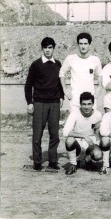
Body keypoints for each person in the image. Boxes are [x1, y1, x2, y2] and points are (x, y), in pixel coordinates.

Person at [24, 37, 64, 171]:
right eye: (45, 47)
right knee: (37, 135)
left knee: (55, 134)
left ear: (53, 48)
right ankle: (37, 162)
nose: (48, 50)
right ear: (42, 48)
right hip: (39, 102)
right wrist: (30, 102)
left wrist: (62, 97)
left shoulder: (58, 64)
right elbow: (28, 85)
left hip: (54, 103)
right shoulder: (36, 65)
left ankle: (53, 161)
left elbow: (60, 83)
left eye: (50, 47)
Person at [59, 32, 102, 112]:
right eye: (81, 43)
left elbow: (100, 75)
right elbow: (61, 73)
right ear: (78, 44)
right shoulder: (70, 59)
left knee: (91, 123)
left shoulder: (95, 60)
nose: (83, 46)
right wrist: (65, 90)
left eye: (85, 43)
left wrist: (98, 91)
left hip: (90, 100)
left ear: (89, 44)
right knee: (75, 123)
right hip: (75, 99)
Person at [63, 92, 103, 175]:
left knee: (98, 155)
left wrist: (98, 142)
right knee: (69, 140)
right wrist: (84, 136)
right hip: (77, 141)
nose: (86, 107)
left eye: (89, 104)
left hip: (90, 142)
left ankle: (88, 159)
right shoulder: (74, 113)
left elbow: (101, 132)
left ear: (93, 104)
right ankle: (73, 164)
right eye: (84, 104)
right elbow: (65, 132)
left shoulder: (98, 115)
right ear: (80, 104)